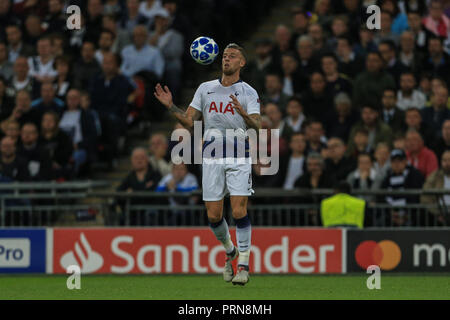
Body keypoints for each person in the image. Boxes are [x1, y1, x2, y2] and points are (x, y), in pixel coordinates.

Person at [154, 43, 261, 285]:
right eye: (224, 55)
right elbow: (190, 122)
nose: (227, 59)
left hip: (238, 155)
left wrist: (244, 115)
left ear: (242, 63)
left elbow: (259, 125)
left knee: (238, 210)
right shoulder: (205, 89)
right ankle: (230, 251)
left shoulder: (248, 92)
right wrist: (171, 106)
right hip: (211, 156)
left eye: (233, 56)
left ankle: (243, 265)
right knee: (213, 216)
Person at [379, 149, 424, 226]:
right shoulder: (387, 177)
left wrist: (406, 215)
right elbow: (381, 197)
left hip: (411, 216)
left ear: (405, 161)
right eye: (394, 161)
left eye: (399, 161)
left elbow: (416, 197)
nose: (397, 164)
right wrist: (391, 213)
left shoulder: (415, 175)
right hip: (391, 217)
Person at [421, 150, 450, 226]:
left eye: (449, 160)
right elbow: (425, 196)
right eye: (444, 160)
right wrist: (437, 213)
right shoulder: (435, 176)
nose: (447, 163)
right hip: (439, 214)